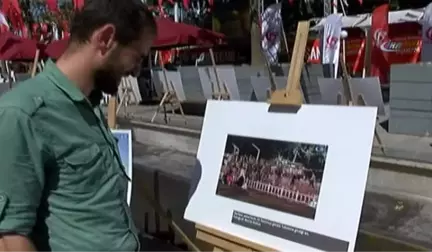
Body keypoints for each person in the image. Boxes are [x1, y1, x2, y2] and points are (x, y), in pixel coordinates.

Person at [0, 0, 156, 251]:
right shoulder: (23, 114)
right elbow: (9, 239)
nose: (137, 71)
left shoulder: (88, 105)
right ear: (106, 38)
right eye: (137, 57)